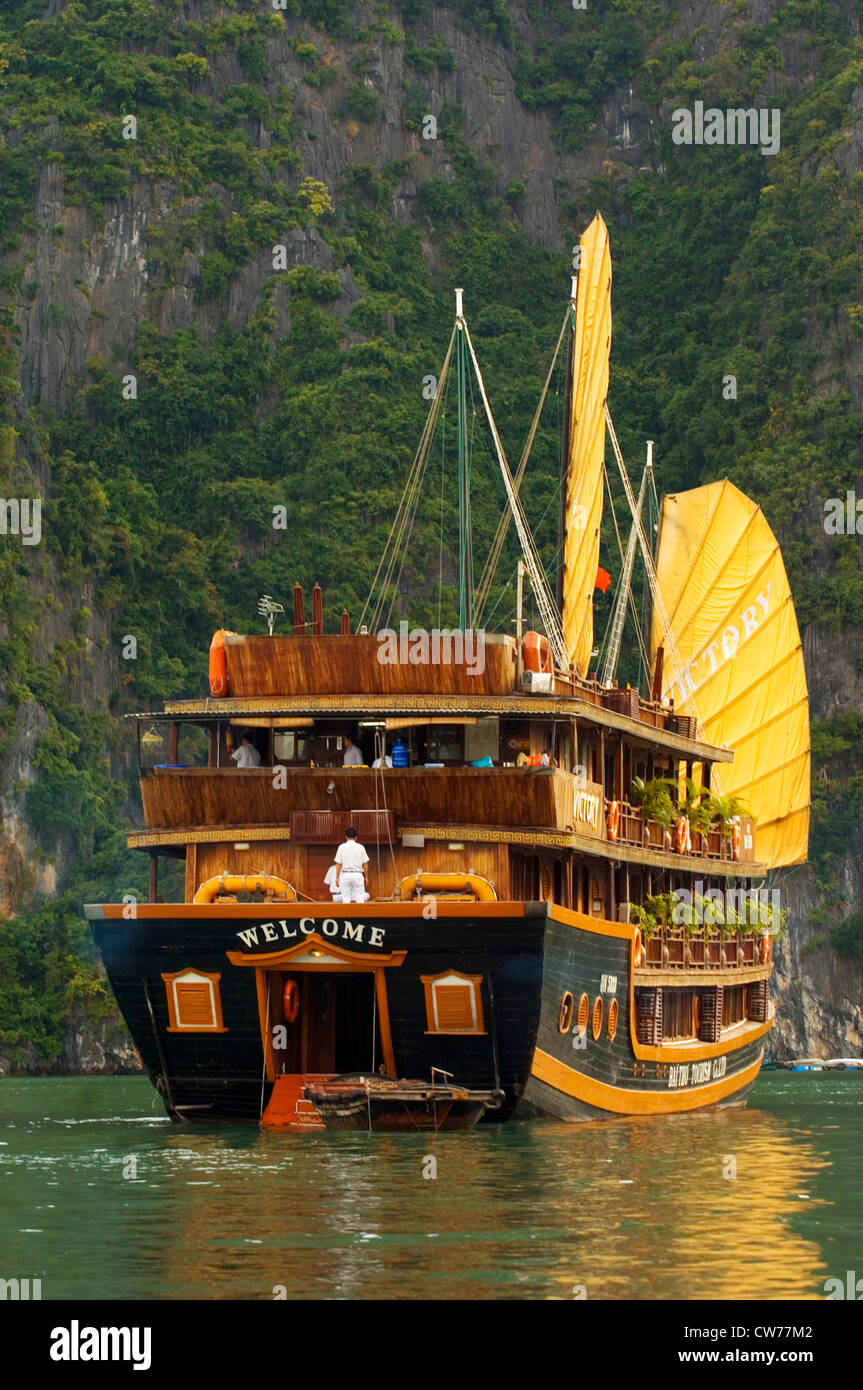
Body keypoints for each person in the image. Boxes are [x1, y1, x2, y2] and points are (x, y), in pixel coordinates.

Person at [334, 826, 369, 903]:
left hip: (345, 874)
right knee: (360, 899)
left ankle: (347, 914)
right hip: (358, 874)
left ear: (345, 836)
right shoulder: (361, 847)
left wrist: (337, 877)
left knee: (346, 899)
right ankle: (360, 914)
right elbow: (365, 863)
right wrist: (366, 877)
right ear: (356, 837)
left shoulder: (341, 847)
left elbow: (338, 863)